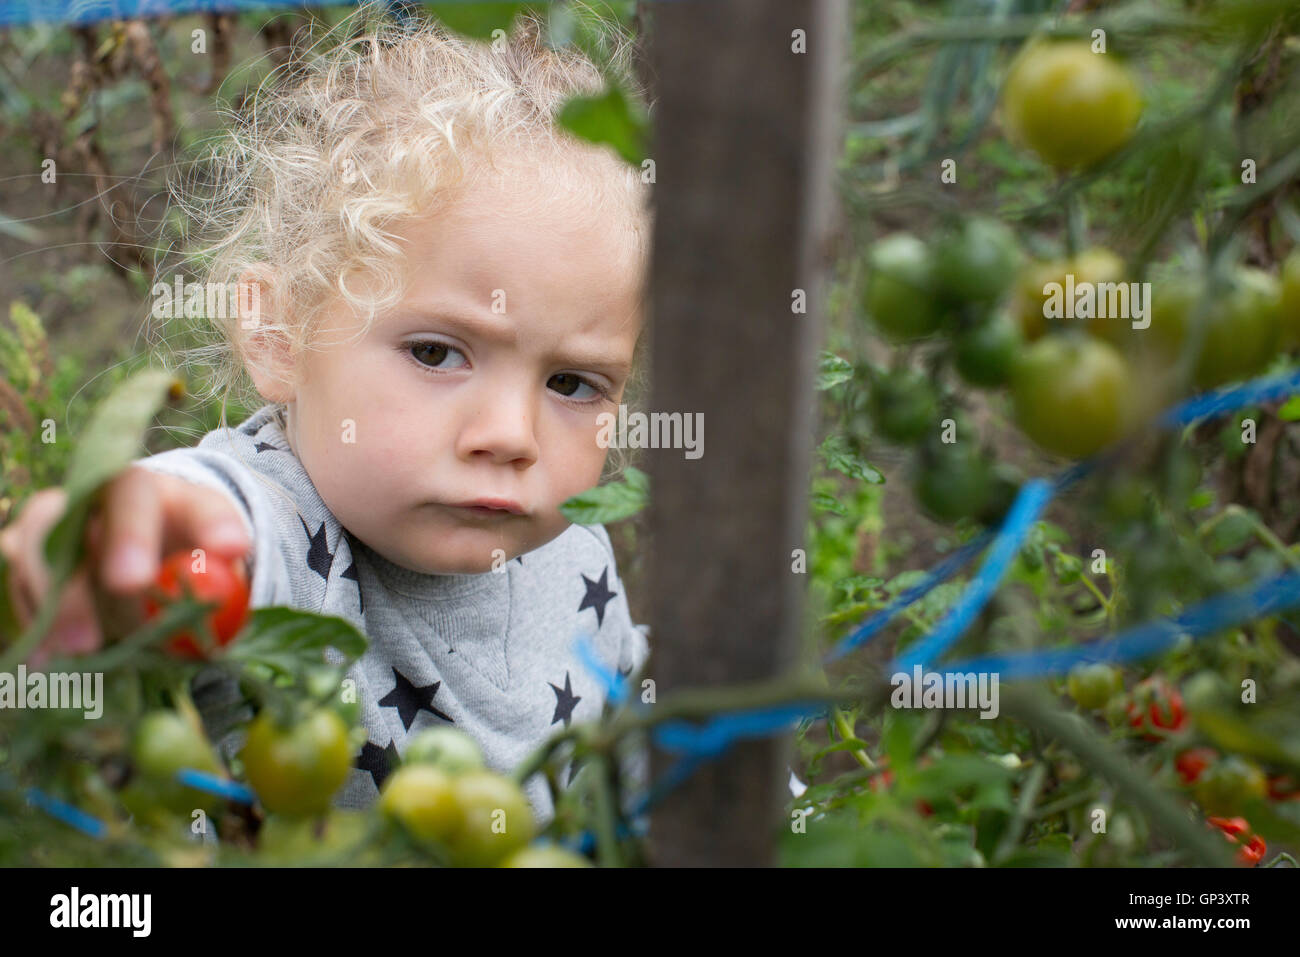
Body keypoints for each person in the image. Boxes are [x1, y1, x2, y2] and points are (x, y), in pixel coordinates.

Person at [0, 5, 653, 827]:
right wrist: (146, 538)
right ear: (278, 333)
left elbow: (643, 751)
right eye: (435, 353)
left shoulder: (577, 552)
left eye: (573, 383)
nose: (512, 437)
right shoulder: (292, 542)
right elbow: (220, 524)